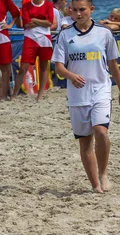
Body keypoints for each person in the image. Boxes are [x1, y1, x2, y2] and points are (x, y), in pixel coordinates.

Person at [52, 0, 120, 193]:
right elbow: (59, 66)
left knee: (101, 132)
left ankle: (103, 174)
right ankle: (95, 185)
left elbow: (113, 66)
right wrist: (71, 76)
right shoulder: (65, 35)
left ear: (91, 10)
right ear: (70, 11)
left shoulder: (105, 34)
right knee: (85, 140)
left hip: (101, 89)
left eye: (82, 10)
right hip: (77, 95)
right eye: (75, 10)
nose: (78, 13)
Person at [11, 0, 54, 101]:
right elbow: (26, 24)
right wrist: (41, 21)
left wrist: (34, 19)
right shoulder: (26, 5)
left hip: (45, 39)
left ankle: (40, 95)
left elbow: (49, 22)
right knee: (23, 67)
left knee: (43, 68)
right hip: (30, 38)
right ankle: (14, 95)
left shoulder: (48, 4)